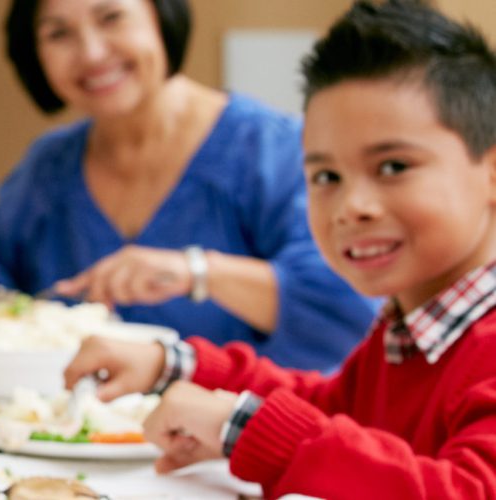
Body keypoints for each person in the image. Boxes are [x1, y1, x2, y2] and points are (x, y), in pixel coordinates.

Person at [66, 1, 496, 496]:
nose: (350, 207)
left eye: (393, 166)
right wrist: (176, 366)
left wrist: (240, 427)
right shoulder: (408, 330)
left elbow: (464, 490)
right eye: (326, 176)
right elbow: (329, 409)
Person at [0, 0, 375, 371]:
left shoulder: (269, 149)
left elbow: (347, 310)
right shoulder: (48, 166)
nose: (92, 52)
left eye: (111, 17)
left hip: (237, 444)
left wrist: (195, 273)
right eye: (59, 33)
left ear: (161, 16)